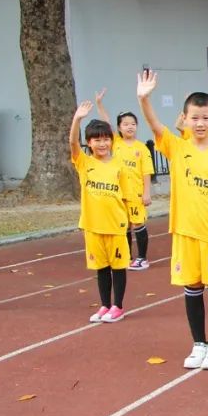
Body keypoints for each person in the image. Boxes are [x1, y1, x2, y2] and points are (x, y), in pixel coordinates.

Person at [137, 69, 208, 370]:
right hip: (185, 233)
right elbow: (156, 126)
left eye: (206, 117)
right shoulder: (178, 147)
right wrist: (144, 99)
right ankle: (199, 343)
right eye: (194, 117)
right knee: (192, 289)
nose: (200, 123)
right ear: (185, 118)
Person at [70, 102, 136, 323]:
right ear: (89, 143)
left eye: (106, 139)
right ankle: (104, 305)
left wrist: (129, 221)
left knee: (117, 267)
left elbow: (125, 197)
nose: (102, 143)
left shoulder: (119, 166)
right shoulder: (84, 163)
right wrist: (77, 119)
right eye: (97, 140)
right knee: (101, 268)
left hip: (115, 225)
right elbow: (71, 143)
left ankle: (117, 306)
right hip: (92, 225)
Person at [94, 90, 153, 271]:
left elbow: (146, 172)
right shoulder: (116, 143)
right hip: (118, 194)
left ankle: (142, 258)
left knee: (138, 224)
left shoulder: (141, 148)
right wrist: (99, 104)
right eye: (126, 124)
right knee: (123, 225)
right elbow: (106, 121)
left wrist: (146, 193)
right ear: (119, 128)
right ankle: (127, 256)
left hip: (135, 193)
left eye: (133, 124)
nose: (130, 127)